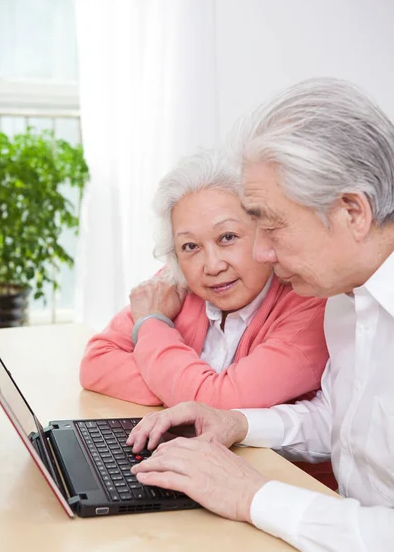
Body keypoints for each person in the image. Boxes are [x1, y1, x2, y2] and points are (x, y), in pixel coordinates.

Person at [129, 78, 394, 552]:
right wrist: (236, 423)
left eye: (270, 227)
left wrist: (253, 495)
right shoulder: (346, 300)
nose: (263, 254)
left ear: (352, 212)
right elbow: (348, 424)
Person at [80, 150, 328, 412]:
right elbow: (96, 363)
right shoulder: (175, 283)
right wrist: (190, 391)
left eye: (228, 237)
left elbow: (219, 405)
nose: (212, 265)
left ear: (264, 231)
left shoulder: (310, 302)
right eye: (190, 246)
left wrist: (153, 324)